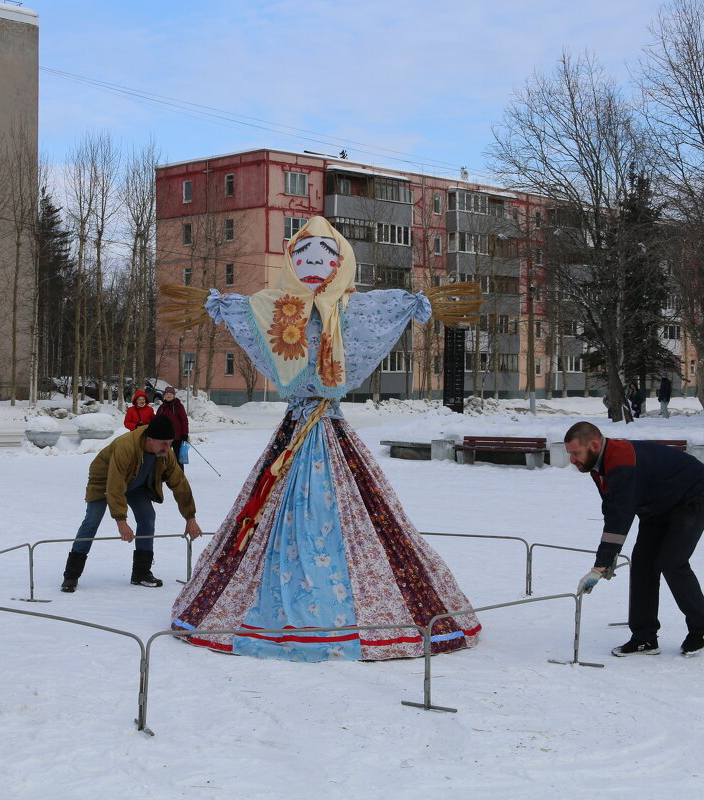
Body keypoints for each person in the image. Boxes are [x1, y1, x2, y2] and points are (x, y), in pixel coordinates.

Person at [163, 216, 482, 662]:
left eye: (324, 258)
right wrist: (219, 305)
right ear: (291, 263)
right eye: (303, 257)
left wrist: (415, 303)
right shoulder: (271, 308)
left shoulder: (351, 309)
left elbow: (384, 310)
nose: (313, 265)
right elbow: (242, 308)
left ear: (341, 263)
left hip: (322, 425)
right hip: (300, 427)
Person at [564, 421, 704, 658]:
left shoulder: (621, 464)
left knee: (672, 561)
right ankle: (644, 637)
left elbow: (620, 516)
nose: (572, 460)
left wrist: (600, 564)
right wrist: (609, 556)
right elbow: (612, 508)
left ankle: (703, 626)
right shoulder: (597, 463)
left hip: (691, 495)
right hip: (656, 503)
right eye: (570, 454)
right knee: (643, 563)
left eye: (576, 453)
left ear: (594, 444)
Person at [61, 414, 203, 592]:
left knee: (147, 516)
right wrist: (121, 521)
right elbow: (115, 486)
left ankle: (141, 572)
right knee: (92, 521)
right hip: (104, 480)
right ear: (150, 440)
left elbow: (179, 483)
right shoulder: (125, 447)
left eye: (170, 442)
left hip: (136, 482)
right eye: (164, 444)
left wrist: (190, 517)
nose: (168, 448)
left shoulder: (165, 453)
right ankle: (71, 575)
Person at [155, 386, 189, 470]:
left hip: (177, 436)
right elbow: (156, 421)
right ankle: (164, 472)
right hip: (164, 437)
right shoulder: (162, 407)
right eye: (166, 394)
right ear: (164, 396)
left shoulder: (179, 406)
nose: (168, 395)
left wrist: (185, 434)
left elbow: (184, 420)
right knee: (163, 456)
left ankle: (180, 474)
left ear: (174, 395)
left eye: (170, 394)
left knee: (178, 457)